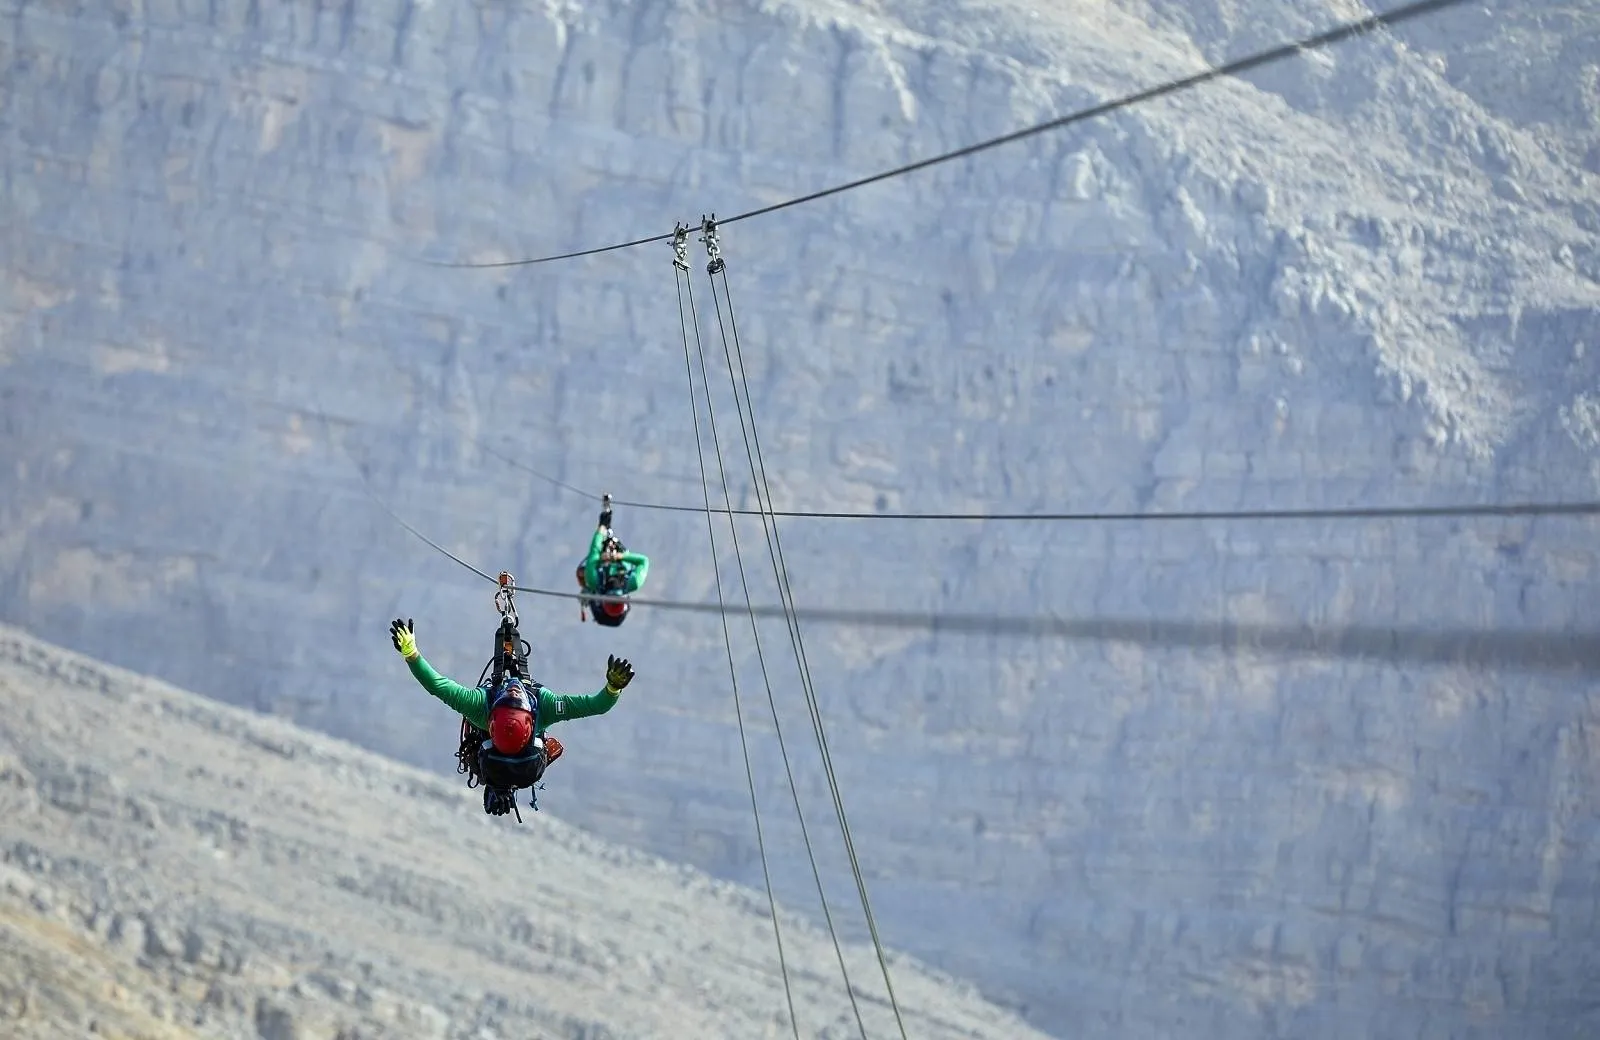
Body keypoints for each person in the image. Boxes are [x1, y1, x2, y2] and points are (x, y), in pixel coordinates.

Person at [388, 617, 634, 815]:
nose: (513, 687)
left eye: (511, 694)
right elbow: (596, 705)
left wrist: (411, 653)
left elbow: (437, 685)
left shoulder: (479, 707)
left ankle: (497, 785)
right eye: (514, 695)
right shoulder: (544, 707)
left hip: (501, 759)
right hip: (517, 762)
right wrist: (613, 688)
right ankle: (498, 785)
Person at [577, 494, 649, 626]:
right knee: (624, 561)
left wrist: (602, 527)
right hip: (611, 611)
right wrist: (621, 556)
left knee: (583, 574)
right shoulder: (632, 582)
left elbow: (594, 551)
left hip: (603, 611)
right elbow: (643, 561)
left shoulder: (595, 581)